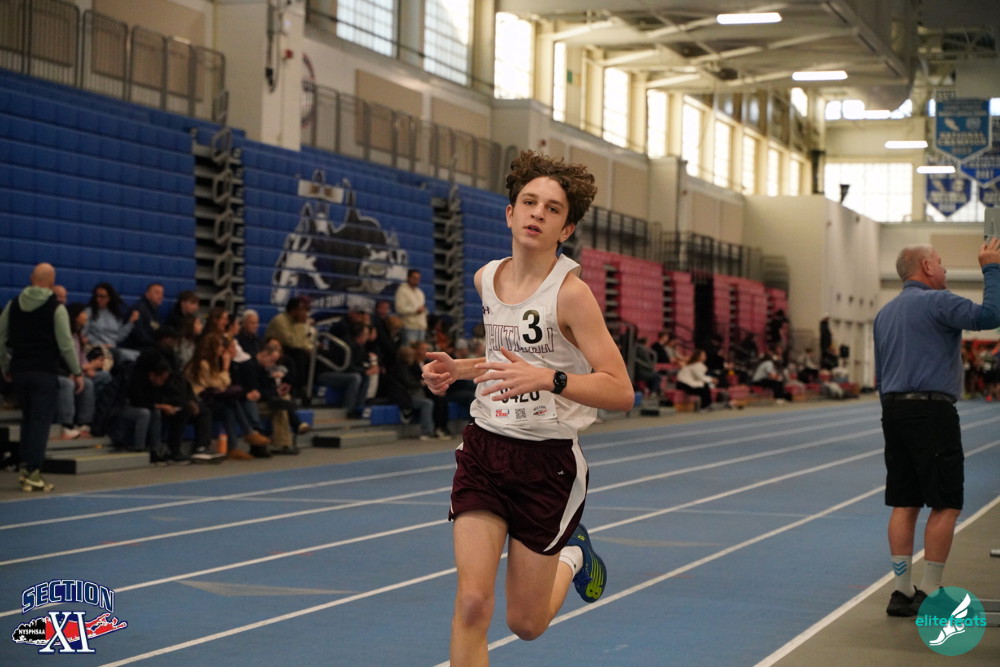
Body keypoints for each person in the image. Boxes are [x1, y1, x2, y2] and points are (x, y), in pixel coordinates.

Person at [422, 150, 634, 664]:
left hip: (547, 463)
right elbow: (505, 360)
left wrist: (550, 379)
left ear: (566, 229)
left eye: (552, 208)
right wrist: (459, 369)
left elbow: (620, 390)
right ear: (509, 213)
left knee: (526, 624)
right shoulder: (485, 278)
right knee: (472, 603)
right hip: (485, 449)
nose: (538, 213)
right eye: (529, 202)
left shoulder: (572, 295)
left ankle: (574, 553)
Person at [874, 240, 1000, 617]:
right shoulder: (938, 302)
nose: (945, 270)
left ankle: (901, 592)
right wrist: (991, 267)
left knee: (904, 501)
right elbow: (992, 315)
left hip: (893, 411)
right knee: (946, 502)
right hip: (931, 411)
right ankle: (931, 591)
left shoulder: (885, 313)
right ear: (927, 267)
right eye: (941, 263)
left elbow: (882, 371)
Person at [0, 263, 83, 492]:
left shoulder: (13, 304)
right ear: (52, 282)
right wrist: (77, 372)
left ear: (31, 278)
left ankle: (24, 470)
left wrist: (5, 366)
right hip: (44, 373)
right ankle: (33, 471)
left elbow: (1, 338)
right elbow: (66, 344)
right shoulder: (56, 308)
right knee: (40, 424)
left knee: (27, 421)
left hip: (20, 372)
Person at [264, 297, 315, 401]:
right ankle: (297, 389)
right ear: (293, 310)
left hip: (292, 349)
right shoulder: (280, 320)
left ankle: (309, 387)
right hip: (276, 349)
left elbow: (304, 342)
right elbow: (292, 342)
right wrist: (302, 325)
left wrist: (310, 348)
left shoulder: (297, 321)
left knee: (314, 355)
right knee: (299, 355)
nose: (304, 313)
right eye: (301, 310)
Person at [83, 282, 139, 362]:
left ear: (109, 298)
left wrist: (131, 322)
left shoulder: (115, 314)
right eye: (96, 296)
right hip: (96, 349)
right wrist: (98, 345)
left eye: (102, 296)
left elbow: (118, 337)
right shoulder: (89, 312)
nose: (98, 299)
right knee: (116, 355)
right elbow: (83, 335)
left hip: (113, 349)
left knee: (138, 356)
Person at [121, 283, 165, 356]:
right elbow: (138, 334)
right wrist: (156, 344)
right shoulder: (139, 309)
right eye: (157, 293)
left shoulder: (154, 311)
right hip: (134, 348)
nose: (161, 296)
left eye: (162, 294)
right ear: (147, 294)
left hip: (147, 346)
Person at [395, 269, 428, 345]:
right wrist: (415, 310)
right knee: (409, 350)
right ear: (408, 278)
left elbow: (423, 309)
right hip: (409, 327)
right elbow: (400, 308)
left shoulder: (420, 293)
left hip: (421, 328)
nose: (416, 280)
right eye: (414, 278)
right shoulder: (402, 290)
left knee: (420, 351)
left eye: (418, 278)